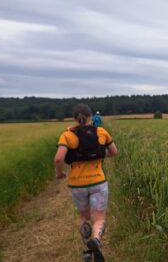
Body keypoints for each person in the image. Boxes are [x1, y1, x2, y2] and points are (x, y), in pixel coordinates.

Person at [54, 104, 118, 262]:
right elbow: (114, 152)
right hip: (98, 182)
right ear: (91, 117)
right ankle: (96, 240)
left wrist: (60, 173)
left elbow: (58, 158)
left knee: (84, 218)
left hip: (77, 185)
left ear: (74, 118)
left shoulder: (67, 135)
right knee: (100, 219)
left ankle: (87, 252)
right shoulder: (101, 132)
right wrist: (98, 156)